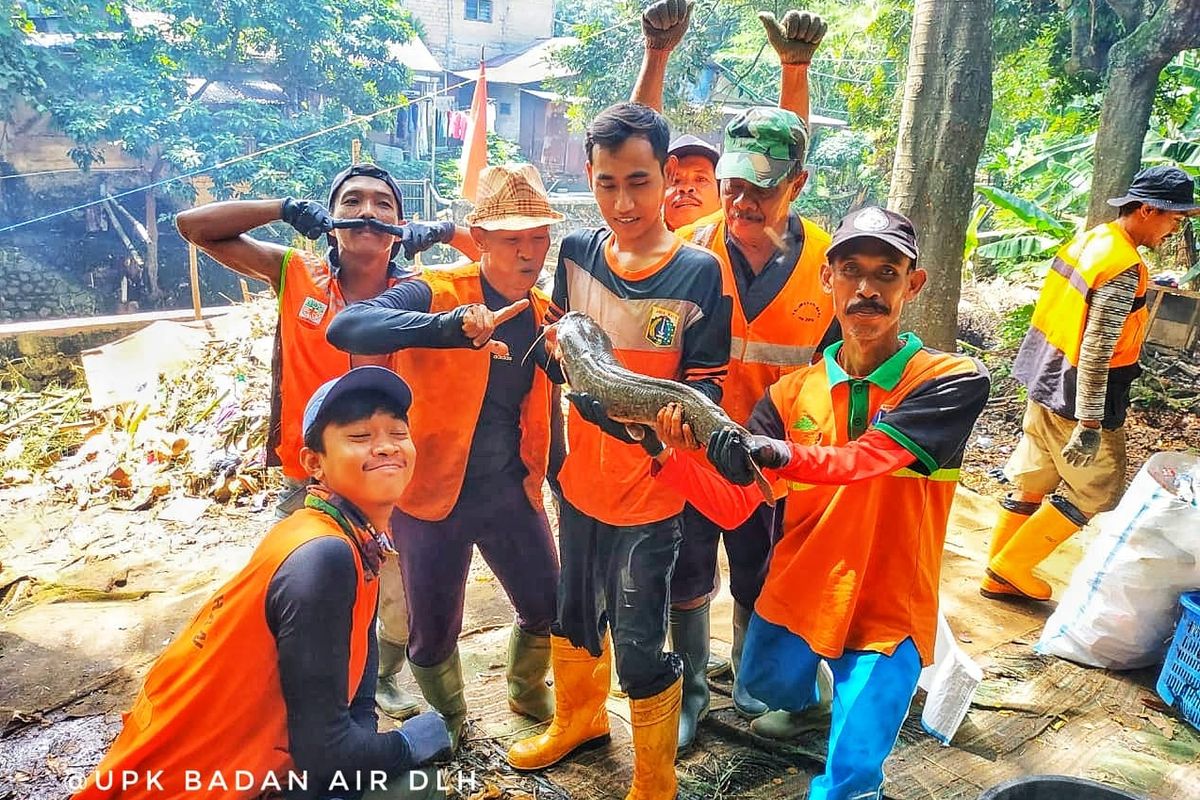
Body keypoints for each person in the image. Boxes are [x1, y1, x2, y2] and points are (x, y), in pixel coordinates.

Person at [649, 207, 990, 800]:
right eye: (851, 270)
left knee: (852, 772)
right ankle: (811, 701)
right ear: (827, 279)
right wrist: (663, 451)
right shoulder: (791, 392)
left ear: (914, 283)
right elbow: (735, 506)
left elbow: (865, 460)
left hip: (887, 605)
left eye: (886, 273)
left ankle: (852, 769)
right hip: (802, 587)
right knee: (761, 685)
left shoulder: (949, 378)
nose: (867, 289)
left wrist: (774, 452)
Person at [72, 367, 453, 800]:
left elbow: (357, 690)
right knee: (420, 789)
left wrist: (363, 752)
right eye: (360, 437)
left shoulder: (346, 536)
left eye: (397, 433)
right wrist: (407, 743)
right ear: (314, 463)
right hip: (195, 787)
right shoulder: (322, 558)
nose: (386, 446)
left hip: (217, 772)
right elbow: (328, 758)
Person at [176, 164, 467, 721]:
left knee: (397, 601)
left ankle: (378, 677)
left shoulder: (420, 293)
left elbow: (507, 254)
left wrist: (442, 230)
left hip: (390, 476)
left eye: (383, 204)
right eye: (351, 201)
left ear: (399, 225)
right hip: (308, 477)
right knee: (315, 595)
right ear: (330, 223)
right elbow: (194, 225)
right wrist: (285, 208)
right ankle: (318, 702)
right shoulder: (294, 272)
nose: (367, 211)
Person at [505, 102, 730, 800]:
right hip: (578, 485)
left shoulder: (699, 273)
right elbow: (555, 350)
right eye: (607, 184)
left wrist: (650, 426)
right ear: (591, 179)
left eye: (638, 181)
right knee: (574, 617)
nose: (623, 201)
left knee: (638, 642)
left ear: (667, 176)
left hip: (650, 497)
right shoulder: (575, 254)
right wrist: (549, 362)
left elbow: (704, 391)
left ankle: (655, 779)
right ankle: (579, 720)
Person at [631, 0, 837, 747]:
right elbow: (636, 154)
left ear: (798, 185)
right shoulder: (687, 248)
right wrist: (655, 55)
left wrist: (796, 74)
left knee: (761, 579)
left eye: (764, 188)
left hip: (773, 467)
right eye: (734, 184)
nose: (743, 200)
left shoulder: (829, 267)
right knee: (686, 577)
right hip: (690, 453)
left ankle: (760, 685)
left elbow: (843, 369)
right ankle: (687, 693)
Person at [326, 164, 567, 750]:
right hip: (429, 496)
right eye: (512, 239)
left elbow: (551, 406)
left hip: (510, 491)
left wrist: (560, 475)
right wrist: (446, 329)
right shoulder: (438, 291)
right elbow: (349, 326)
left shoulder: (543, 313)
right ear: (479, 238)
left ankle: (526, 690)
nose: (529, 252)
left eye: (539, 238)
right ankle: (456, 721)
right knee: (432, 634)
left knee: (547, 606)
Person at [982, 165, 1199, 601]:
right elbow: (1099, 346)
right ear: (1146, 210)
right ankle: (1012, 565)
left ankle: (996, 574)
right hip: (1078, 391)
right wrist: (1090, 422)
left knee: (1035, 475)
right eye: (1173, 220)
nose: (1175, 230)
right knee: (1097, 487)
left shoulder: (1096, 240)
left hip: (1044, 371)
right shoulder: (1123, 267)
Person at [632, 0, 825, 236]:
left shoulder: (747, 232)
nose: (687, 189)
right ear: (657, 190)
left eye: (701, 179)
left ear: (724, 189)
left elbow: (784, 156)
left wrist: (796, 69)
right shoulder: (646, 244)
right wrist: (656, 51)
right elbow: (635, 159)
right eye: (675, 180)